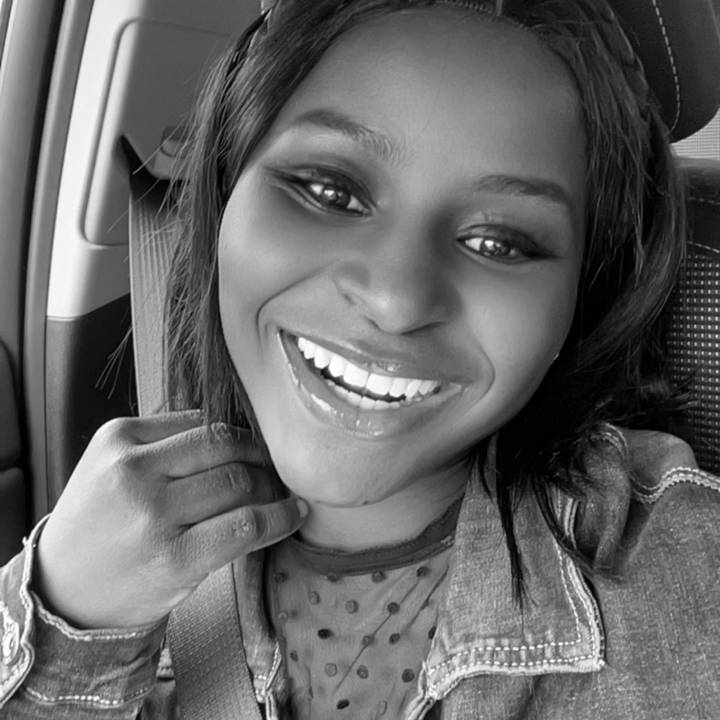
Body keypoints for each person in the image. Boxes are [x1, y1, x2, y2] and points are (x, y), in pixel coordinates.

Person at [1, 0, 719, 717]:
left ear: (580, 297)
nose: (396, 300)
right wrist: (65, 627)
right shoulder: (91, 571)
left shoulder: (680, 571)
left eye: (500, 244)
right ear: (224, 196)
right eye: (330, 192)